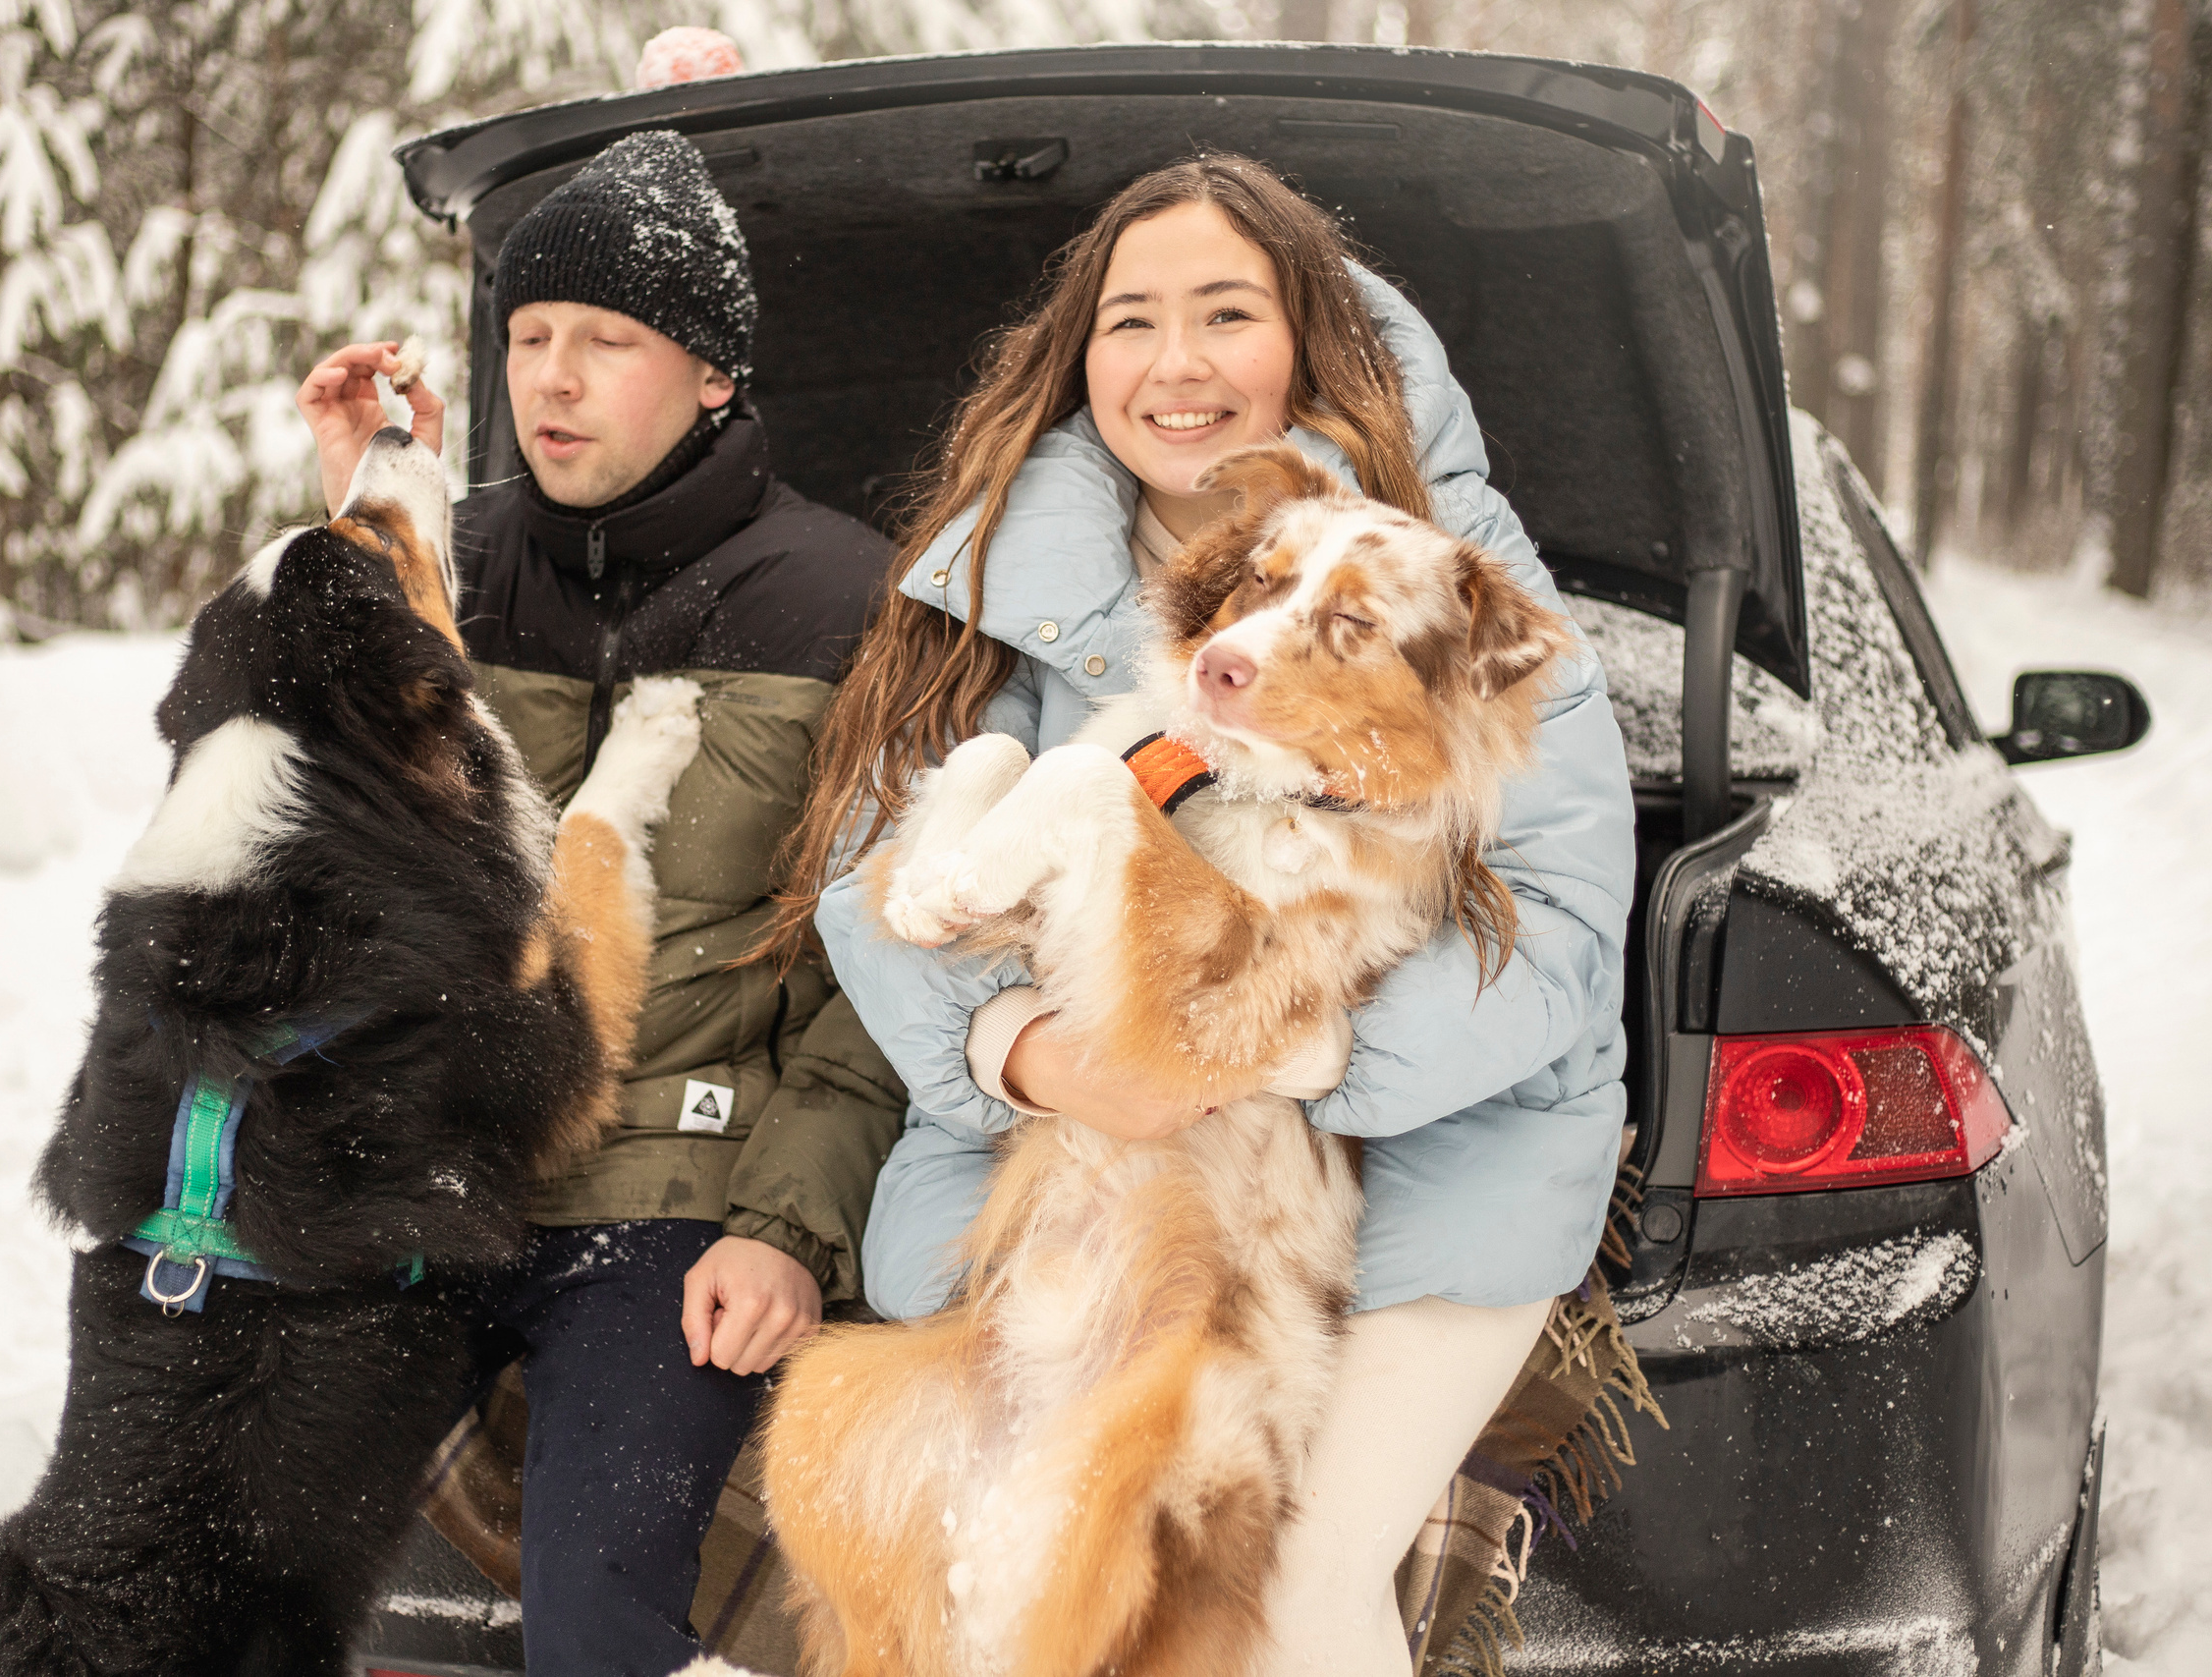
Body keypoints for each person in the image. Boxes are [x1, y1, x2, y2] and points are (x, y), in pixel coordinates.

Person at [756, 154, 1634, 1673]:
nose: (1175, 365)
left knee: (1286, 1601)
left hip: (1437, 1173)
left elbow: (1558, 945)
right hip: (1081, 1176)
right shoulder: (994, 577)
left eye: (1226, 314)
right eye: (1130, 321)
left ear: (1311, 343)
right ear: (1076, 359)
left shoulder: (1462, 581)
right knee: (981, 1568)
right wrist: (1027, 1051)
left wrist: (1278, 1054)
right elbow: (869, 884)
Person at [298, 131, 905, 1677]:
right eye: (528, 340)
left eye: (606, 344)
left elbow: (886, 977)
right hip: (439, 1180)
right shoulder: (451, 555)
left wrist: (785, 1230)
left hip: (668, 1204)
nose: (551, 382)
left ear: (712, 375)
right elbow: (316, 839)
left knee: (602, 1623)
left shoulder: (851, 604)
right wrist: (355, 532)